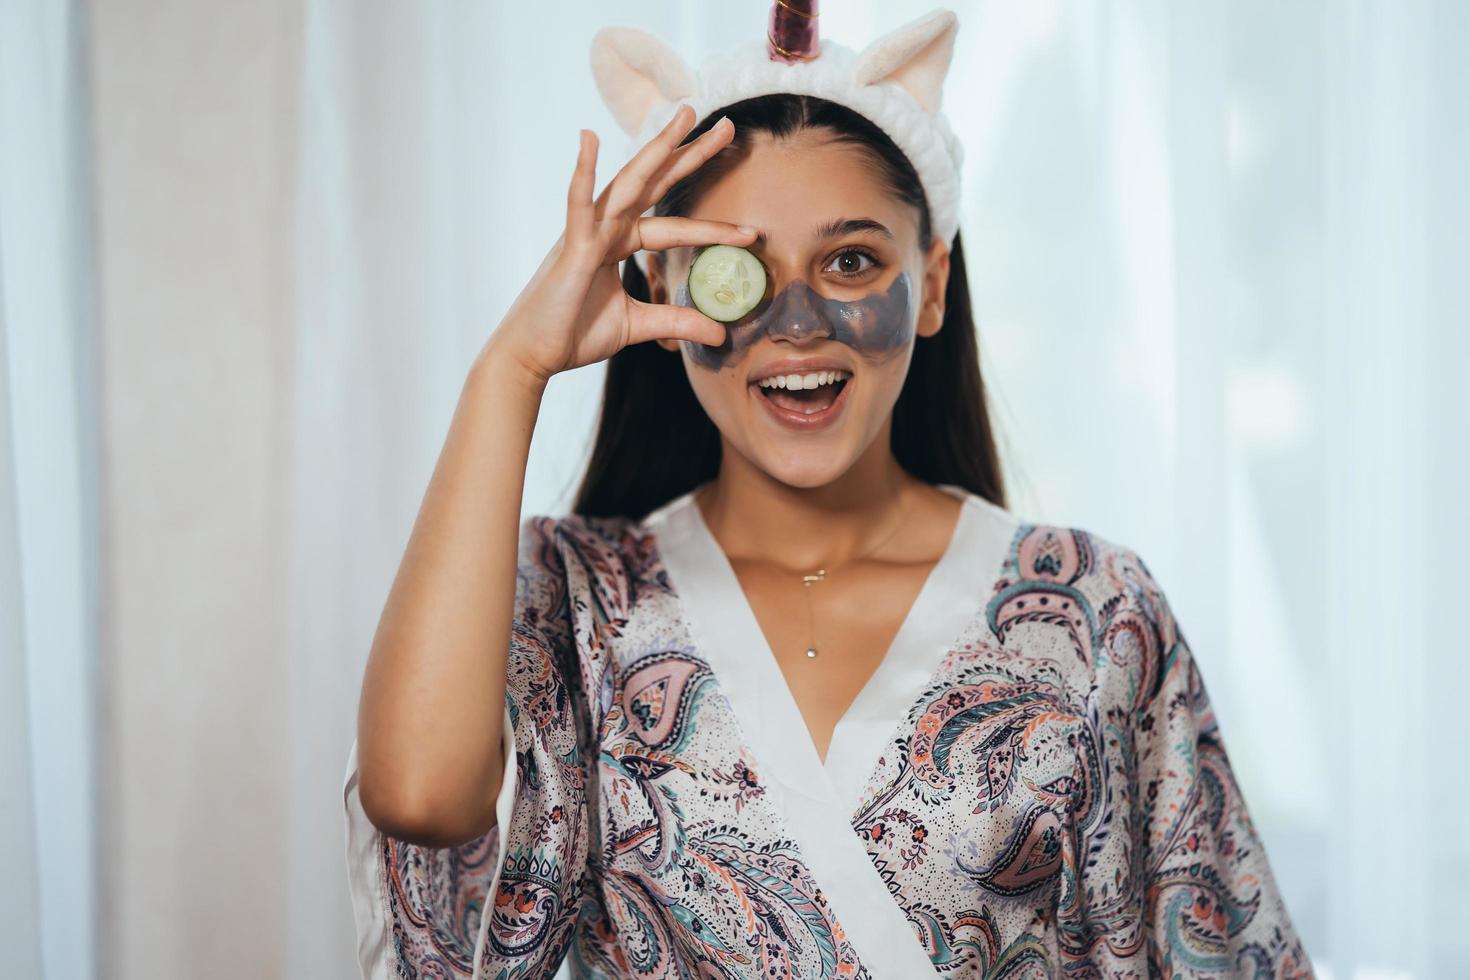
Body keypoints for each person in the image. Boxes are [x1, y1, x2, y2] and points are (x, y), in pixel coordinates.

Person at [341, 7, 1311, 978]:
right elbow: (421, 793)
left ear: (929, 285)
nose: (796, 322)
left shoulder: (1095, 611)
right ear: (661, 293)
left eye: (850, 260)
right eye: (736, 270)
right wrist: (512, 366)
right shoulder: (577, 598)